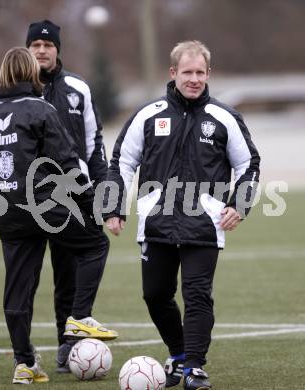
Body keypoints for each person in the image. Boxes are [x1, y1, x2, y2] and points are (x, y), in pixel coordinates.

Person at [104, 40, 260, 389]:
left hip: (205, 223)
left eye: (200, 72)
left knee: (197, 293)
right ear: (173, 73)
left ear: (209, 74)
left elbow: (249, 164)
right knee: (155, 295)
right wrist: (113, 208)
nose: (194, 79)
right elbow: (122, 162)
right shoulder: (148, 115)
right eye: (187, 72)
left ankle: (194, 368)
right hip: (155, 222)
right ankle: (177, 354)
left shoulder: (224, 117)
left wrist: (239, 204)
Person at [0, 47, 116, 385]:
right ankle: (80, 316)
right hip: (45, 206)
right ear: (32, 74)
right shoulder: (41, 108)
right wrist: (88, 201)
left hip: (9, 211)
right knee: (95, 244)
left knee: (18, 288)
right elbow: (66, 160)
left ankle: (24, 363)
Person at [25, 19, 111, 372]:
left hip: (73, 195)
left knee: (69, 273)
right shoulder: (14, 89)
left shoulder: (78, 88)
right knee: (25, 277)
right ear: (28, 50)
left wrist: (102, 187)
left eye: (48, 45)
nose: (42, 50)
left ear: (57, 49)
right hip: (27, 199)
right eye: (36, 45)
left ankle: (68, 342)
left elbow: (94, 143)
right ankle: (23, 354)